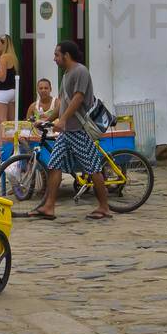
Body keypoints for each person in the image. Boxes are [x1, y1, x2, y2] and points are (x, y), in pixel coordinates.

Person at [24, 40, 112, 221]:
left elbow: (78, 99)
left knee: (93, 167)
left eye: (57, 55)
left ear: (66, 55)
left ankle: (104, 207)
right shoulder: (66, 75)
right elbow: (64, 102)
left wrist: (63, 120)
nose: (54, 58)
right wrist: (48, 119)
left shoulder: (80, 71)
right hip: (67, 132)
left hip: (78, 129)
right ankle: (49, 206)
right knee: (54, 164)